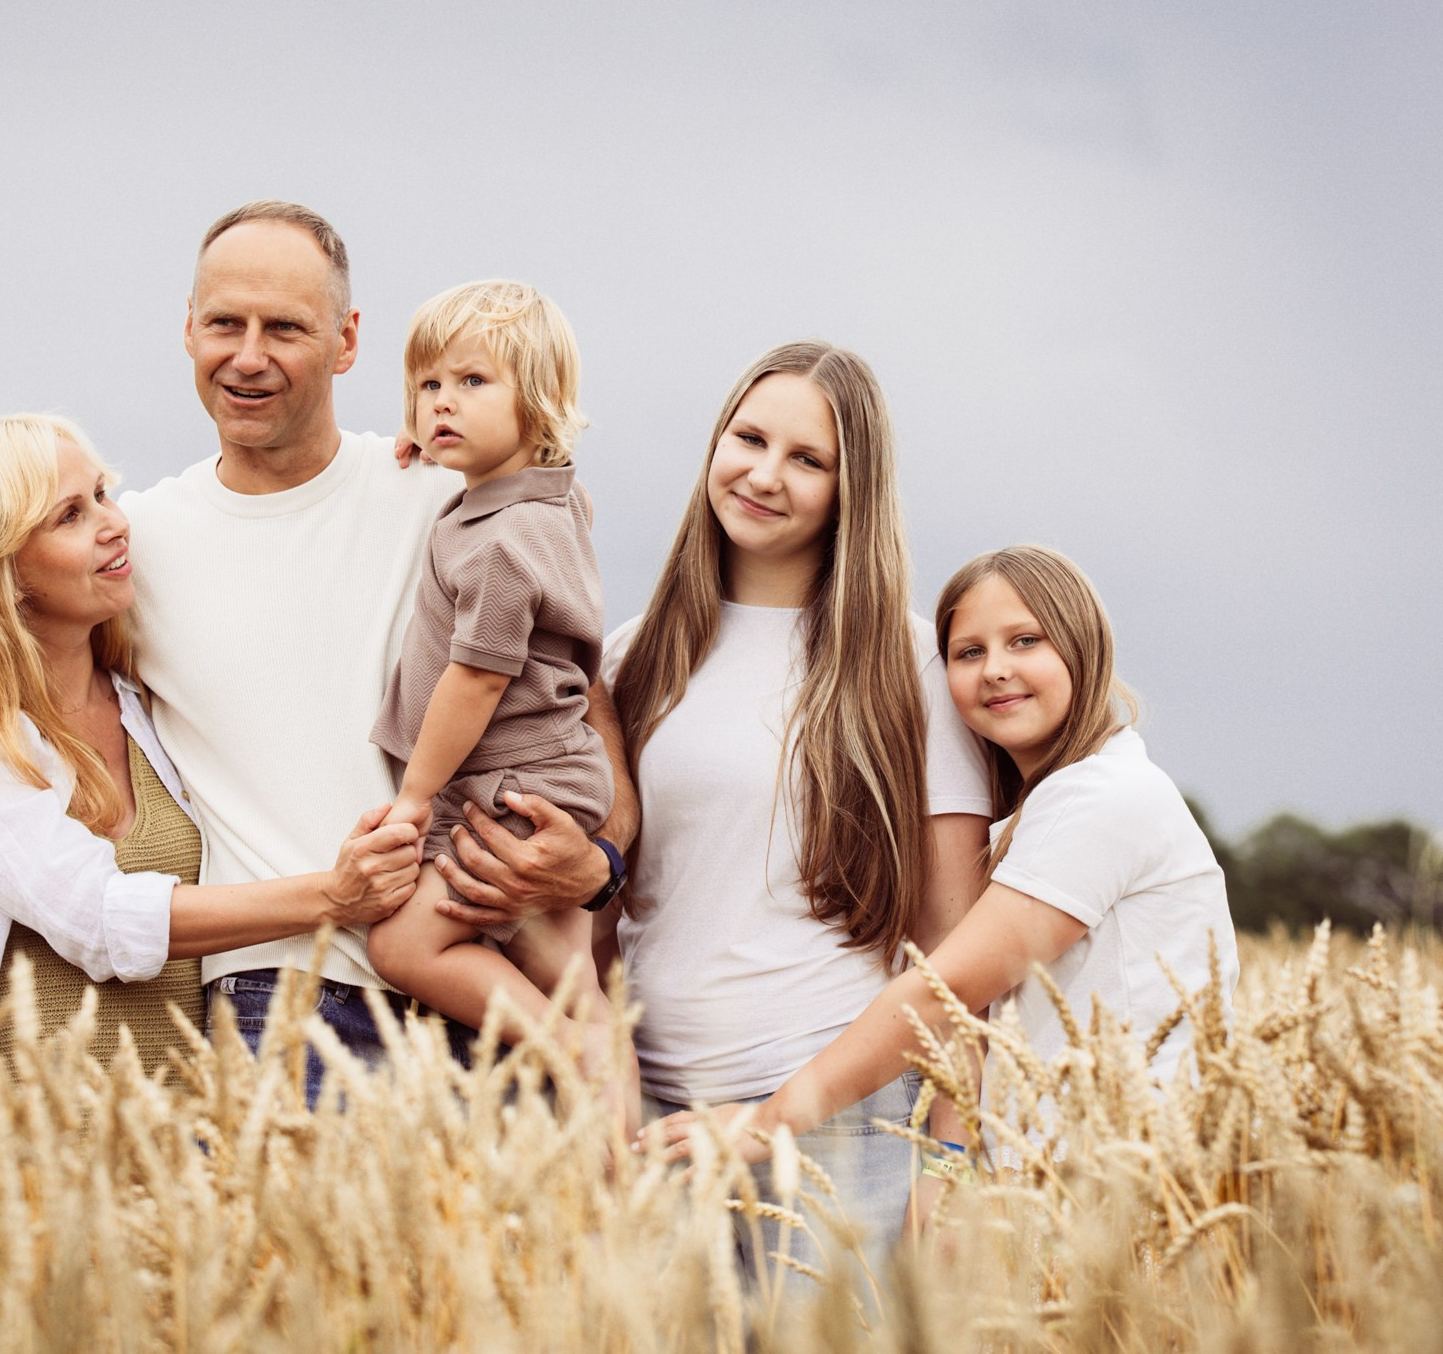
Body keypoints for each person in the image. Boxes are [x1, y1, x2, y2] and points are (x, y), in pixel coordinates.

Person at [0, 203, 637, 1099]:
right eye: (225, 322)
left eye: (285, 328)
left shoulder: (445, 497)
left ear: (345, 342)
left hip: (489, 975)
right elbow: (3, 680)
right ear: (188, 329)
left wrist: (599, 860)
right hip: (284, 1008)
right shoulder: (131, 544)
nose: (248, 355)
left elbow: (576, 692)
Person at [0, 413, 421, 1083]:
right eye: (69, 516)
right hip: (5, 1154)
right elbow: (99, 917)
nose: (113, 522)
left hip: (182, 1145)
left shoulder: (145, 706)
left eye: (104, 494)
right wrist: (335, 897)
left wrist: (438, 452)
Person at [646, 545, 1239, 1174]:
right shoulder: (1061, 798)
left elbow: (945, 991)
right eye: (969, 653)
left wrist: (769, 1121)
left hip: (1124, 1181)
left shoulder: (1099, 799)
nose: (996, 670)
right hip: (1079, 1175)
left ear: (1084, 647)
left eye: (1026, 641)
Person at [601, 341, 994, 1270]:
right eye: (749, 438)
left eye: (808, 459)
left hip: (837, 1131)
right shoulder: (628, 658)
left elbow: (957, 956)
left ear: (850, 490)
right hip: (652, 1123)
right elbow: (597, 916)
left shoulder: (912, 668)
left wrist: (948, 1158)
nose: (764, 474)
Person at [364, 280, 619, 1077]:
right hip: (558, 772)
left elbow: (472, 682)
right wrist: (436, 440)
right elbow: (561, 480)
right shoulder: (552, 501)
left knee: (402, 944)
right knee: (574, 976)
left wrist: (414, 797)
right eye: (429, 385)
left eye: (473, 382)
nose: (443, 401)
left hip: (509, 782)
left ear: (538, 405)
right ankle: (620, 1150)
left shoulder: (502, 544)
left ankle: (567, 1052)